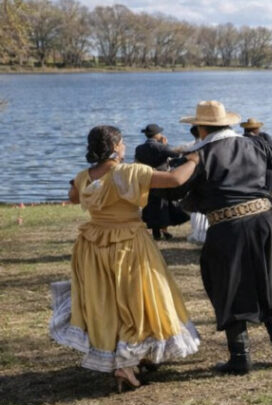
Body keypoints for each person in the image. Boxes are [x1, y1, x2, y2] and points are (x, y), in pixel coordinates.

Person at [172, 100, 272, 374]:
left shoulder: (199, 156)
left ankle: (240, 357)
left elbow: (173, 189)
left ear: (200, 128)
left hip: (228, 228)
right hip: (264, 223)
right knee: (269, 280)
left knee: (229, 286)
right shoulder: (254, 144)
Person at [51, 126, 202, 391]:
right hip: (128, 244)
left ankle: (129, 358)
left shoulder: (84, 177)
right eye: (122, 144)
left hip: (93, 246)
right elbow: (176, 180)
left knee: (107, 303)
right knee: (138, 301)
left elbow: (74, 197)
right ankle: (126, 363)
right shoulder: (129, 172)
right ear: (116, 146)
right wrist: (193, 160)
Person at [134, 123, 189, 240]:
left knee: (151, 204)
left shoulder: (139, 148)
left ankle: (156, 232)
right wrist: (166, 144)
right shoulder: (161, 147)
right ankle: (164, 231)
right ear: (157, 134)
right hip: (162, 178)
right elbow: (177, 155)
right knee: (163, 205)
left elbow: (137, 162)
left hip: (146, 178)